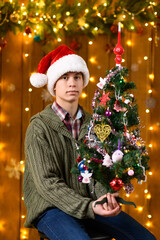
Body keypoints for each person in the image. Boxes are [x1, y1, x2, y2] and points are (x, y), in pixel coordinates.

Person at [23, 45, 156, 240]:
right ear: (53, 85)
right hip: (52, 207)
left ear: (83, 82)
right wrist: (90, 206)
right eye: (65, 77)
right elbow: (47, 183)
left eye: (77, 77)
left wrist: (105, 198)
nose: (72, 83)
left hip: (91, 204)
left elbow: (102, 168)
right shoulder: (39, 127)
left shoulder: (96, 123)